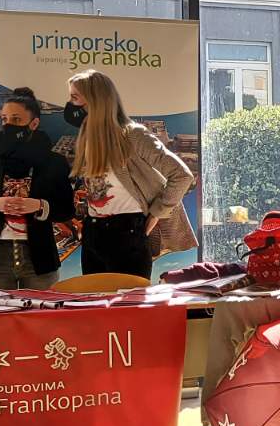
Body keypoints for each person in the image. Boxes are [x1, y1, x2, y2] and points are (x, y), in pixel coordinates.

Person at [64, 69, 195, 280]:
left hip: (128, 232)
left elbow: (182, 175)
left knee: (129, 301)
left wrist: (157, 213)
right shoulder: (87, 138)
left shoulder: (133, 135)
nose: (70, 104)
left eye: (74, 97)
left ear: (95, 100)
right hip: (93, 232)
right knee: (94, 300)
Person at [0, 87, 76, 290]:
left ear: (34, 123)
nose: (8, 125)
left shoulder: (54, 162)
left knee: (41, 311)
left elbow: (67, 210)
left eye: (16, 120)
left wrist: (40, 206)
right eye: (4, 119)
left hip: (40, 258)